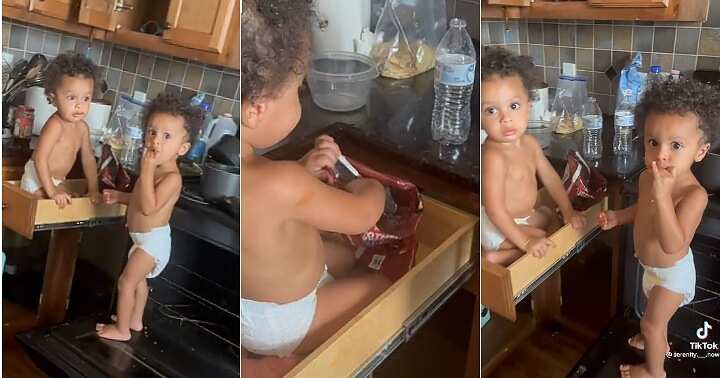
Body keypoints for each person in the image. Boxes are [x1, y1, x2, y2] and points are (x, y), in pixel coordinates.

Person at [240, 0, 390, 369]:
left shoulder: (243, 172)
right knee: (380, 287)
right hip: (281, 323)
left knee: (337, 253)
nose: (302, 97)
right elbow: (361, 216)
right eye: (297, 89)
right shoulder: (283, 182)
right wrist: (373, 190)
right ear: (257, 107)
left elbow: (271, 208)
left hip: (244, 304)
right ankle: (279, 362)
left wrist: (302, 171)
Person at [598, 78, 718, 378]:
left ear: (700, 152)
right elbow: (644, 211)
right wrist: (619, 216)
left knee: (653, 322)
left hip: (673, 274)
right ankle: (655, 341)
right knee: (648, 318)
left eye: (676, 145)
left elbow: (673, 245)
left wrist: (664, 196)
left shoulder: (694, 195)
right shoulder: (646, 179)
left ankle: (654, 370)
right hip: (650, 269)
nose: (661, 154)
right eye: (653, 142)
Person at [96, 93, 202, 341]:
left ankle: (121, 330)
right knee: (140, 283)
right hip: (142, 239)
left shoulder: (171, 178)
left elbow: (147, 207)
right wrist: (120, 197)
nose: (156, 140)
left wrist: (146, 170)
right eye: (152, 132)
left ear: (182, 148)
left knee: (126, 283)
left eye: (167, 136)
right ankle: (133, 319)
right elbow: (137, 197)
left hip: (153, 242)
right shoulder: (153, 173)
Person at [481, 47, 586, 266]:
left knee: (549, 213)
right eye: (491, 110)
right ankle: (495, 258)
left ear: (529, 107)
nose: (505, 119)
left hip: (521, 218)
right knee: (542, 238)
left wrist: (568, 211)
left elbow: (551, 179)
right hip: (495, 225)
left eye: (514, 106)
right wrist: (526, 242)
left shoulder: (529, 144)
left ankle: (513, 249)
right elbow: (495, 210)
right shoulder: (493, 156)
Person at [20, 53, 100, 207]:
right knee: (44, 207)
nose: (79, 105)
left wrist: (93, 189)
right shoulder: (55, 125)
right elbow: (40, 159)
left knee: (72, 202)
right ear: (53, 98)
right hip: (37, 178)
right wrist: (51, 191)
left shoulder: (83, 128)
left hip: (58, 180)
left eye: (86, 98)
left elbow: (88, 160)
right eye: (71, 98)